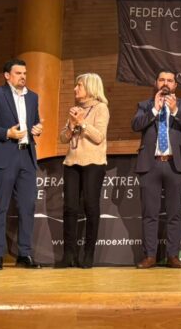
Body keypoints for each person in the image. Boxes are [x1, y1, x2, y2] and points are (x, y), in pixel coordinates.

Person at [0, 58, 43, 270]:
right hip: (3, 156)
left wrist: (36, 129)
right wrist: (6, 133)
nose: (23, 76)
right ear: (7, 76)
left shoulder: (33, 97)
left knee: (27, 206)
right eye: (18, 73)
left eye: (25, 73)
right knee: (0, 206)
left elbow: (35, 121)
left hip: (26, 157)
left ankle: (25, 254)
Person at [132, 70, 181, 269]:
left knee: (174, 213)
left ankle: (173, 255)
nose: (165, 83)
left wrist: (175, 110)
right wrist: (154, 109)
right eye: (162, 80)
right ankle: (150, 256)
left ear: (175, 85)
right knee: (149, 213)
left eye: (169, 80)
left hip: (174, 164)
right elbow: (135, 125)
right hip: (150, 164)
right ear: (156, 83)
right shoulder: (145, 105)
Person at [58, 72, 110, 269]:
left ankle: (89, 254)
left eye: (79, 85)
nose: (75, 89)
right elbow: (63, 138)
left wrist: (81, 123)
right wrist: (71, 125)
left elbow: (98, 137)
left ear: (90, 88)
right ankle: (68, 254)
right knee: (70, 208)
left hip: (93, 163)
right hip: (72, 162)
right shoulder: (76, 109)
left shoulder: (101, 108)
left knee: (90, 207)